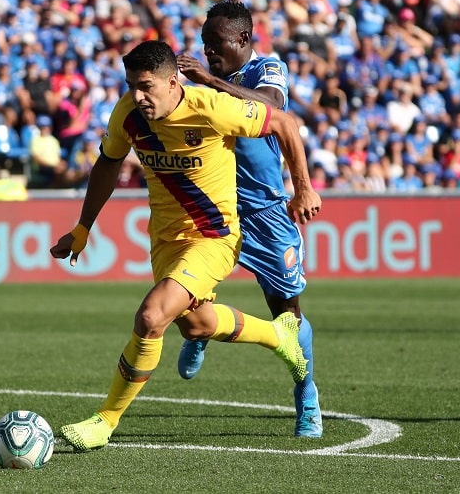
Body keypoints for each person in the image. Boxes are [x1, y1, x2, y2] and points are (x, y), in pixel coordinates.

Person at [50, 40, 319, 452]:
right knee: (196, 325)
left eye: (146, 87)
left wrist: (301, 188)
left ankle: (105, 421)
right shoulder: (128, 112)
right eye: (131, 86)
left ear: (173, 82)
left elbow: (284, 123)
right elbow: (107, 162)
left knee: (151, 316)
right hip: (165, 240)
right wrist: (83, 227)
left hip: (214, 238)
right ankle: (278, 337)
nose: (138, 97)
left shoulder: (212, 106)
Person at [176, 0, 323, 438]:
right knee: (183, 299)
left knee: (287, 315)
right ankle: (198, 332)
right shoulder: (200, 85)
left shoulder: (266, 70)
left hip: (263, 212)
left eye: (215, 43)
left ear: (242, 38)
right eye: (204, 45)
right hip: (212, 211)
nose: (208, 52)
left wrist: (209, 81)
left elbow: (275, 110)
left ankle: (307, 396)